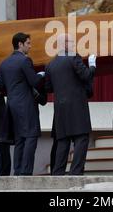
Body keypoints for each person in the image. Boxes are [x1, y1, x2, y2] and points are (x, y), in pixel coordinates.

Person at [45, 34, 96, 175]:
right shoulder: (73, 57)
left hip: (60, 108)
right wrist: (92, 66)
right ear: (65, 44)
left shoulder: (50, 64)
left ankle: (58, 173)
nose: (74, 45)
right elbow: (86, 75)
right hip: (77, 106)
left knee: (63, 141)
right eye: (72, 42)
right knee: (81, 138)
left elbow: (48, 88)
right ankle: (76, 172)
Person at [0, 33, 45, 175]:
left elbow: (0, 84)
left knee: (19, 140)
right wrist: (41, 75)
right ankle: (26, 173)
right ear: (20, 44)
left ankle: (18, 172)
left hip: (11, 106)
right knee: (30, 137)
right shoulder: (25, 61)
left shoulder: (4, 63)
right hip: (26, 105)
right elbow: (34, 81)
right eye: (28, 43)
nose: (30, 46)